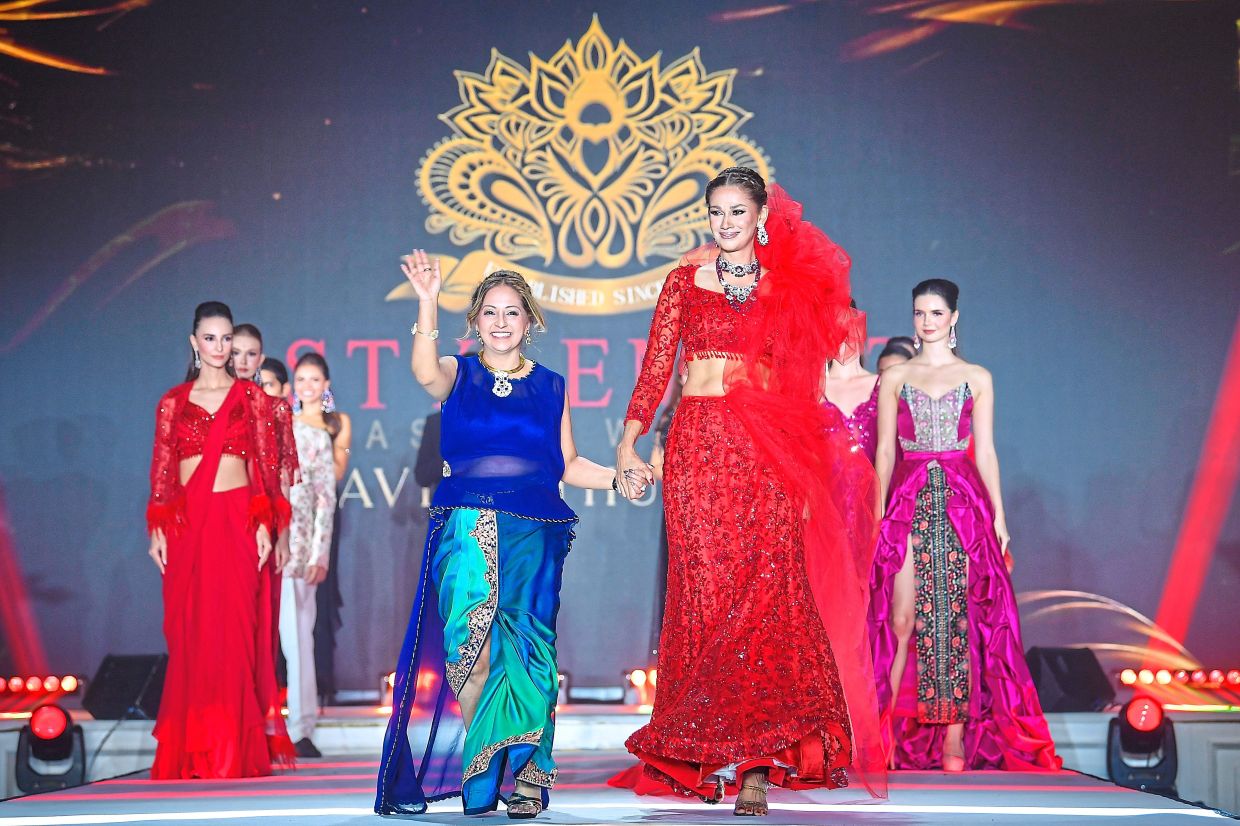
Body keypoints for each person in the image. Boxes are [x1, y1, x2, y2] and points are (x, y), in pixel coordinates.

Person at [612, 167, 885, 816]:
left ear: (762, 217)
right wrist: (629, 441)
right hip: (696, 450)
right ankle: (700, 748)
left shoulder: (784, 288)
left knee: (763, 603)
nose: (726, 221)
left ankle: (756, 765)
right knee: (705, 601)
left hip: (763, 456)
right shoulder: (684, 281)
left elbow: (797, 391)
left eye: (738, 210)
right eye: (716, 211)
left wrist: (809, 474)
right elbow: (656, 369)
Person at [376, 259, 621, 819]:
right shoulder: (456, 373)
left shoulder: (550, 386)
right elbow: (421, 372)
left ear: (529, 319)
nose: (501, 321)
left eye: (512, 312)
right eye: (490, 312)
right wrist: (426, 301)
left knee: (531, 652)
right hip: (466, 525)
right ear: (476, 321)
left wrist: (617, 477)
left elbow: (568, 463)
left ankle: (530, 775)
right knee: (473, 652)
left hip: (534, 531)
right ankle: (483, 758)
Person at [870, 279, 1059, 772]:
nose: (926, 321)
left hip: (960, 499)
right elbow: (886, 451)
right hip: (907, 498)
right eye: (919, 312)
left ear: (954, 317)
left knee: (955, 617)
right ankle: (880, 734)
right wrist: (876, 511)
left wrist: (998, 514)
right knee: (902, 618)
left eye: (935, 313)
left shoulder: (978, 376)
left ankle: (954, 740)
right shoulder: (895, 377)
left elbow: (988, 451)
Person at [145, 301, 294, 778]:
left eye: (225, 338)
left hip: (235, 520)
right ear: (194, 341)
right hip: (189, 525)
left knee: (234, 633)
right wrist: (157, 530)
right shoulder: (173, 401)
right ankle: (193, 750)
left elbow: (265, 471)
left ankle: (232, 750)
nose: (218, 347)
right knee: (190, 634)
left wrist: (265, 525)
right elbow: (163, 473)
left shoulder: (252, 399)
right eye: (209, 338)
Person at [275, 352, 342, 759]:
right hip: (264, 547)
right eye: (300, 379)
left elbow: (324, 500)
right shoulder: (276, 430)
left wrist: (320, 552)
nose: (306, 386)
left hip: (298, 552)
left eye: (314, 379)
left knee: (298, 641)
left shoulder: (319, 435)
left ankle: (301, 727)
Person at [822, 306, 880, 463]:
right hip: (824, 485)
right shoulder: (814, 390)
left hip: (876, 485)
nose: (843, 336)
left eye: (848, 326)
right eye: (835, 328)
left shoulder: (883, 385)